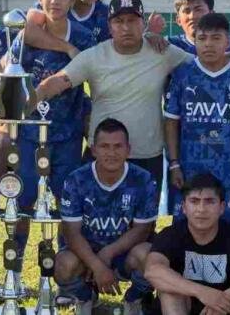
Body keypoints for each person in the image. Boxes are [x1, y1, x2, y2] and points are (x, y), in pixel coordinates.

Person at [32, 0, 192, 183]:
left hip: (147, 156)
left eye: (132, 20)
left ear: (143, 23)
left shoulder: (162, 52)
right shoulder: (94, 56)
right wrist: (26, 102)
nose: (126, 27)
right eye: (119, 21)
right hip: (102, 155)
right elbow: (57, 81)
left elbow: (202, 65)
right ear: (109, 27)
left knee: (145, 213)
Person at [0, 0, 96, 258]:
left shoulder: (84, 38)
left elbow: (95, 82)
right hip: (28, 135)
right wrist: (5, 128)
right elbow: (6, 76)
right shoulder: (24, 36)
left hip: (67, 136)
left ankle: (64, 268)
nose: (54, 1)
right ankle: (15, 268)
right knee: (23, 200)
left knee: (67, 203)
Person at [163, 12, 230, 228]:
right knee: (188, 233)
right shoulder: (182, 74)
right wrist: (174, 164)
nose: (208, 44)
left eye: (216, 38)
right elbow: (171, 122)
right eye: (202, 38)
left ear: (228, 41)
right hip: (192, 168)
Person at [56, 119, 158, 315]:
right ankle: (85, 297)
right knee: (63, 264)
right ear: (93, 149)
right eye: (104, 146)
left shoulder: (143, 179)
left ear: (128, 149)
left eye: (118, 146)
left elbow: (142, 230)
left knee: (150, 255)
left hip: (124, 253)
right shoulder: (76, 179)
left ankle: (134, 298)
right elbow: (71, 233)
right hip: (85, 253)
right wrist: (97, 265)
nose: (111, 153)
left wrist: (107, 253)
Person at [145, 173, 230, 315]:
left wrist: (225, 298)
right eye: (194, 201)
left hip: (225, 309)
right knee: (170, 288)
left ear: (221, 207)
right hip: (182, 307)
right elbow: (152, 270)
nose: (201, 209)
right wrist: (203, 293)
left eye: (209, 201)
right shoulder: (171, 235)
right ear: (184, 207)